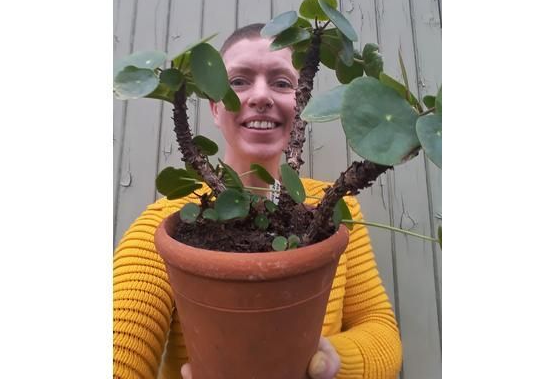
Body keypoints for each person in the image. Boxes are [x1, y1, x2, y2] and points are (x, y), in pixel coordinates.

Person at [113, 23, 403, 379]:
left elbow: (379, 327)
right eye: (238, 81)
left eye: (281, 83)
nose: (261, 96)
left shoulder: (334, 211)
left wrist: (324, 364)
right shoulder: (167, 225)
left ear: (301, 102)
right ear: (215, 108)